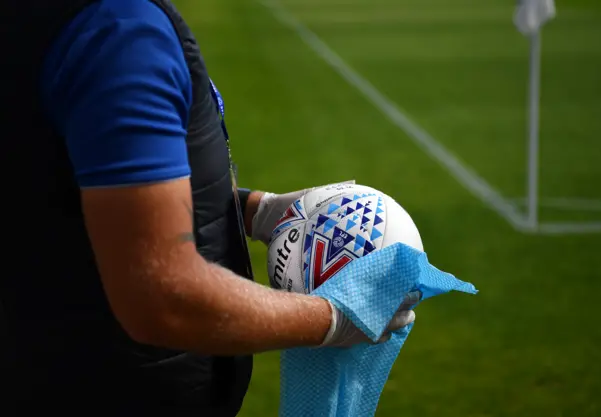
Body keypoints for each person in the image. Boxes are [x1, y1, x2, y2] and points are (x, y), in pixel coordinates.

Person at [1, 0, 416, 415]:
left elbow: (58, 185)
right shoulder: (119, 32)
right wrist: (333, 319)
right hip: (108, 390)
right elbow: (162, 297)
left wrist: (251, 209)